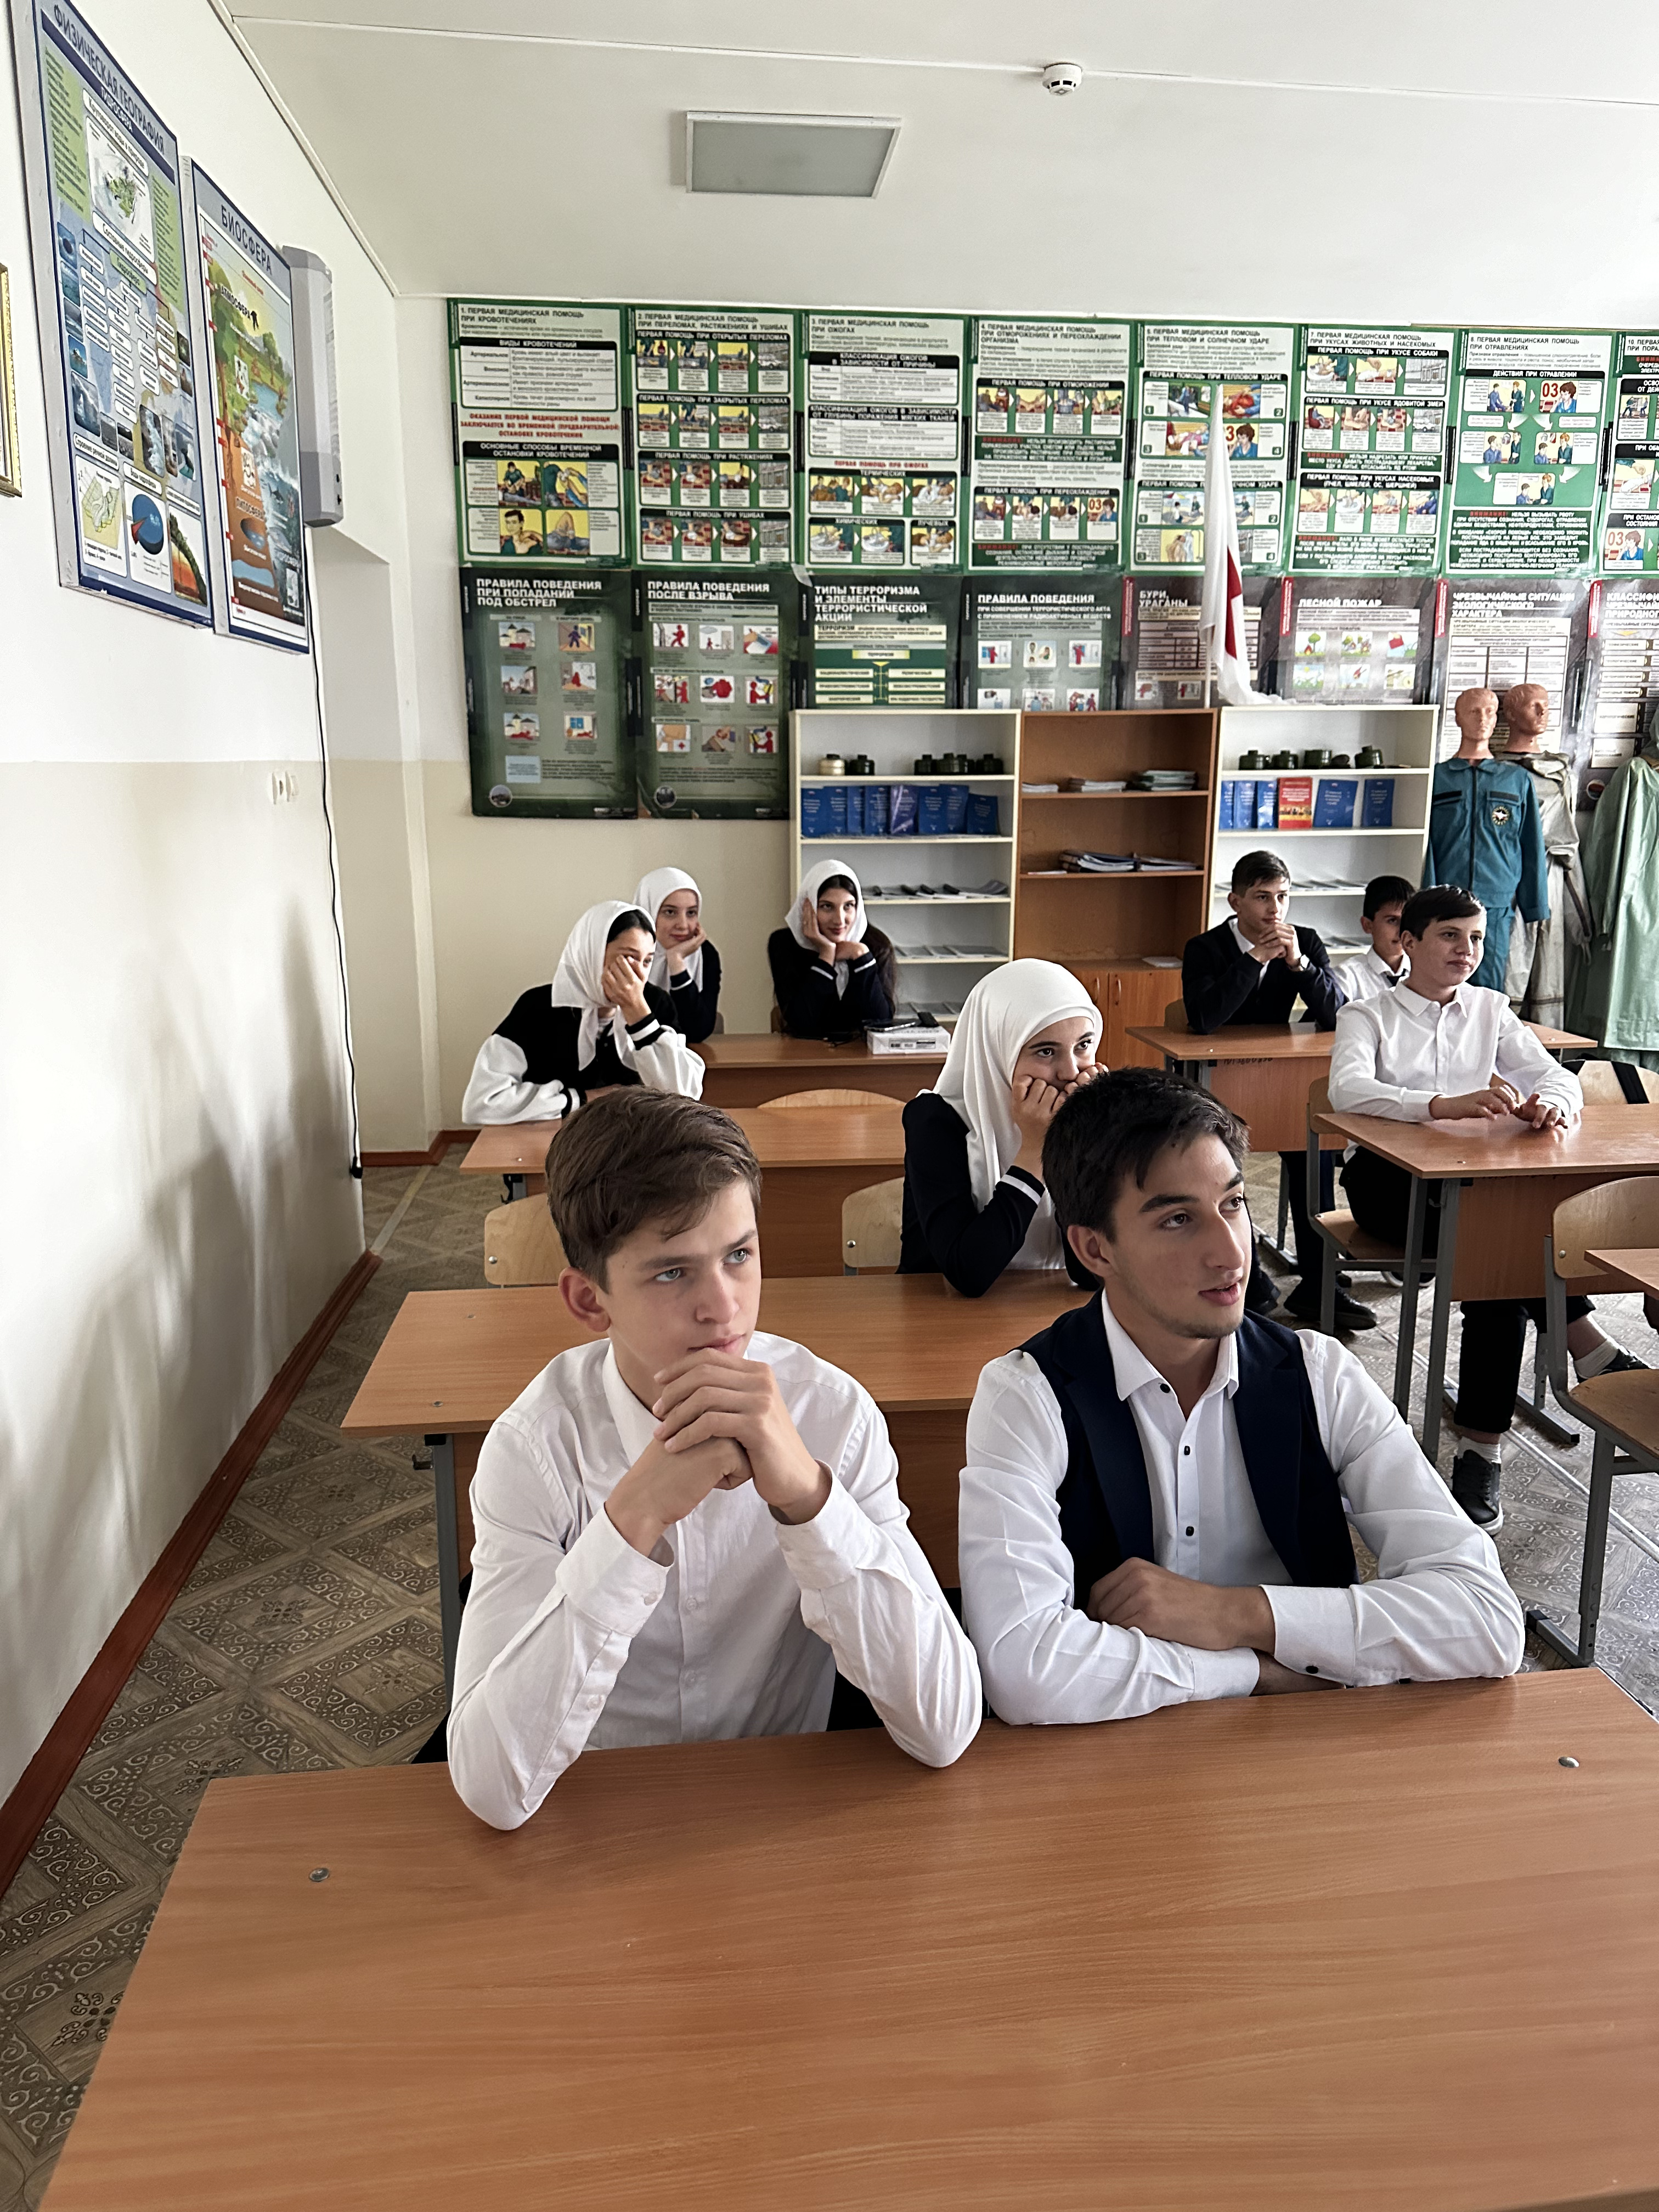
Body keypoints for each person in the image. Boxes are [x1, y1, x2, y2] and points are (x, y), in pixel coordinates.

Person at [447, 1092, 981, 1827]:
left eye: (739, 1256)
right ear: (590, 1301)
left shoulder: (832, 1415)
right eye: (672, 1273)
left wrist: (810, 1499)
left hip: (781, 1810)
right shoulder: (535, 1447)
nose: (724, 1307)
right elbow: (494, 1791)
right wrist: (633, 1519)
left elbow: (946, 1727)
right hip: (595, 1812)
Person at [957, 1068, 1523, 1726]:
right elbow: (1023, 1670)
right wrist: (1256, 1674)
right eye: (1178, 1220)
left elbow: (1486, 1619)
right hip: (1115, 1756)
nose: (1231, 1254)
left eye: (1233, 1203)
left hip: (1301, 1750)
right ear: (1094, 1248)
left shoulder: (1319, 1375)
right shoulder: (1027, 1394)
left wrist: (1237, 1614)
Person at [1329, 885, 1645, 1531]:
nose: (1466, 950)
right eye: (1450, 936)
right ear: (1408, 942)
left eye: (1475, 937)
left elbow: (1556, 1075)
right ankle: (1584, 1341)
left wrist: (1554, 1104)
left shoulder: (1490, 1008)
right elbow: (1348, 1090)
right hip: (1389, 1187)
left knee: (1498, 1268)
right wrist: (1438, 1105)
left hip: (1473, 1187)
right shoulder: (1368, 1014)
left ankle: (1481, 1449)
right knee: (1504, 1246)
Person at [1183, 850, 1372, 1332]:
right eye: (1263, 897)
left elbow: (1338, 1017)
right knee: (1223, 1175)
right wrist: (1254, 960)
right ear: (1236, 902)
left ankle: (1320, 1283)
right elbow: (1204, 1019)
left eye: (1283, 897)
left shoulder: (1303, 940)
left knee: (1315, 1158)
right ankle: (1248, 1280)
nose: (1275, 909)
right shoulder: (1205, 948)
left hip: (1282, 1082)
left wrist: (1299, 964)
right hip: (1224, 1083)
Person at [899, 961, 1102, 1296]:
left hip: (1041, 1311)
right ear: (997, 1050)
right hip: (938, 1315)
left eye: (1083, 1046)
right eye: (1046, 1051)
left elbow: (1092, 1274)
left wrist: (1083, 1142)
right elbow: (968, 1275)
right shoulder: (934, 1120)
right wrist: (1035, 1152)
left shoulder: (1083, 1119)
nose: (1070, 1071)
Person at [462, 899, 704, 1124]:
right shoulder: (539, 1006)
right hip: (555, 1140)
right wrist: (583, 1099)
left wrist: (637, 1014)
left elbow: (684, 1098)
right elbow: (482, 1102)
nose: (639, 975)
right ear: (592, 953)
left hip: (634, 1140)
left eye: (647, 961)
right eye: (628, 958)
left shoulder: (655, 1004)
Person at [1426, 687, 1547, 994]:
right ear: (1457, 718)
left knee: (1489, 991)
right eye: (1473, 711)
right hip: (1445, 902)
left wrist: (1535, 904)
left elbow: (1531, 844)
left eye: (1490, 712)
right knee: (1442, 983)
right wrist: (1426, 897)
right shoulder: (1437, 778)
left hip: (1496, 904)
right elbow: (1425, 843)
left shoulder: (1516, 780)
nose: (1482, 719)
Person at [768, 857, 896, 1039]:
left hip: (860, 1055)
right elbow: (801, 1024)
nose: (839, 920)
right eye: (827, 907)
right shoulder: (785, 944)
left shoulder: (876, 945)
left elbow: (881, 1024)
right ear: (808, 907)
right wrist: (827, 955)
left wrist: (861, 957)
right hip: (804, 1053)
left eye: (848, 906)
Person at [633, 865, 721, 1044]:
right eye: (670, 912)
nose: (683, 925)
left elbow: (697, 1032)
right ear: (648, 912)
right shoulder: (627, 954)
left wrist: (677, 963)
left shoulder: (706, 955)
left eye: (691, 913)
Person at [1333, 874, 1412, 1003]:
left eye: (1408, 920)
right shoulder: (1347, 977)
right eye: (1392, 920)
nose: (1402, 931)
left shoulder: (1425, 971)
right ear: (1368, 925)